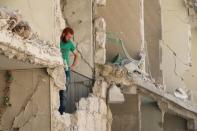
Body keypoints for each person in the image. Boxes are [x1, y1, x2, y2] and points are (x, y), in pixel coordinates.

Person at [59, 27, 78, 115]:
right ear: (63, 34)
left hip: (66, 70)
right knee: (57, 89)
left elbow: (76, 55)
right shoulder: (57, 40)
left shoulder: (70, 44)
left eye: (71, 37)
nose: (70, 39)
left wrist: (73, 66)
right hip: (57, 67)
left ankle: (61, 112)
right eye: (68, 37)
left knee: (64, 92)